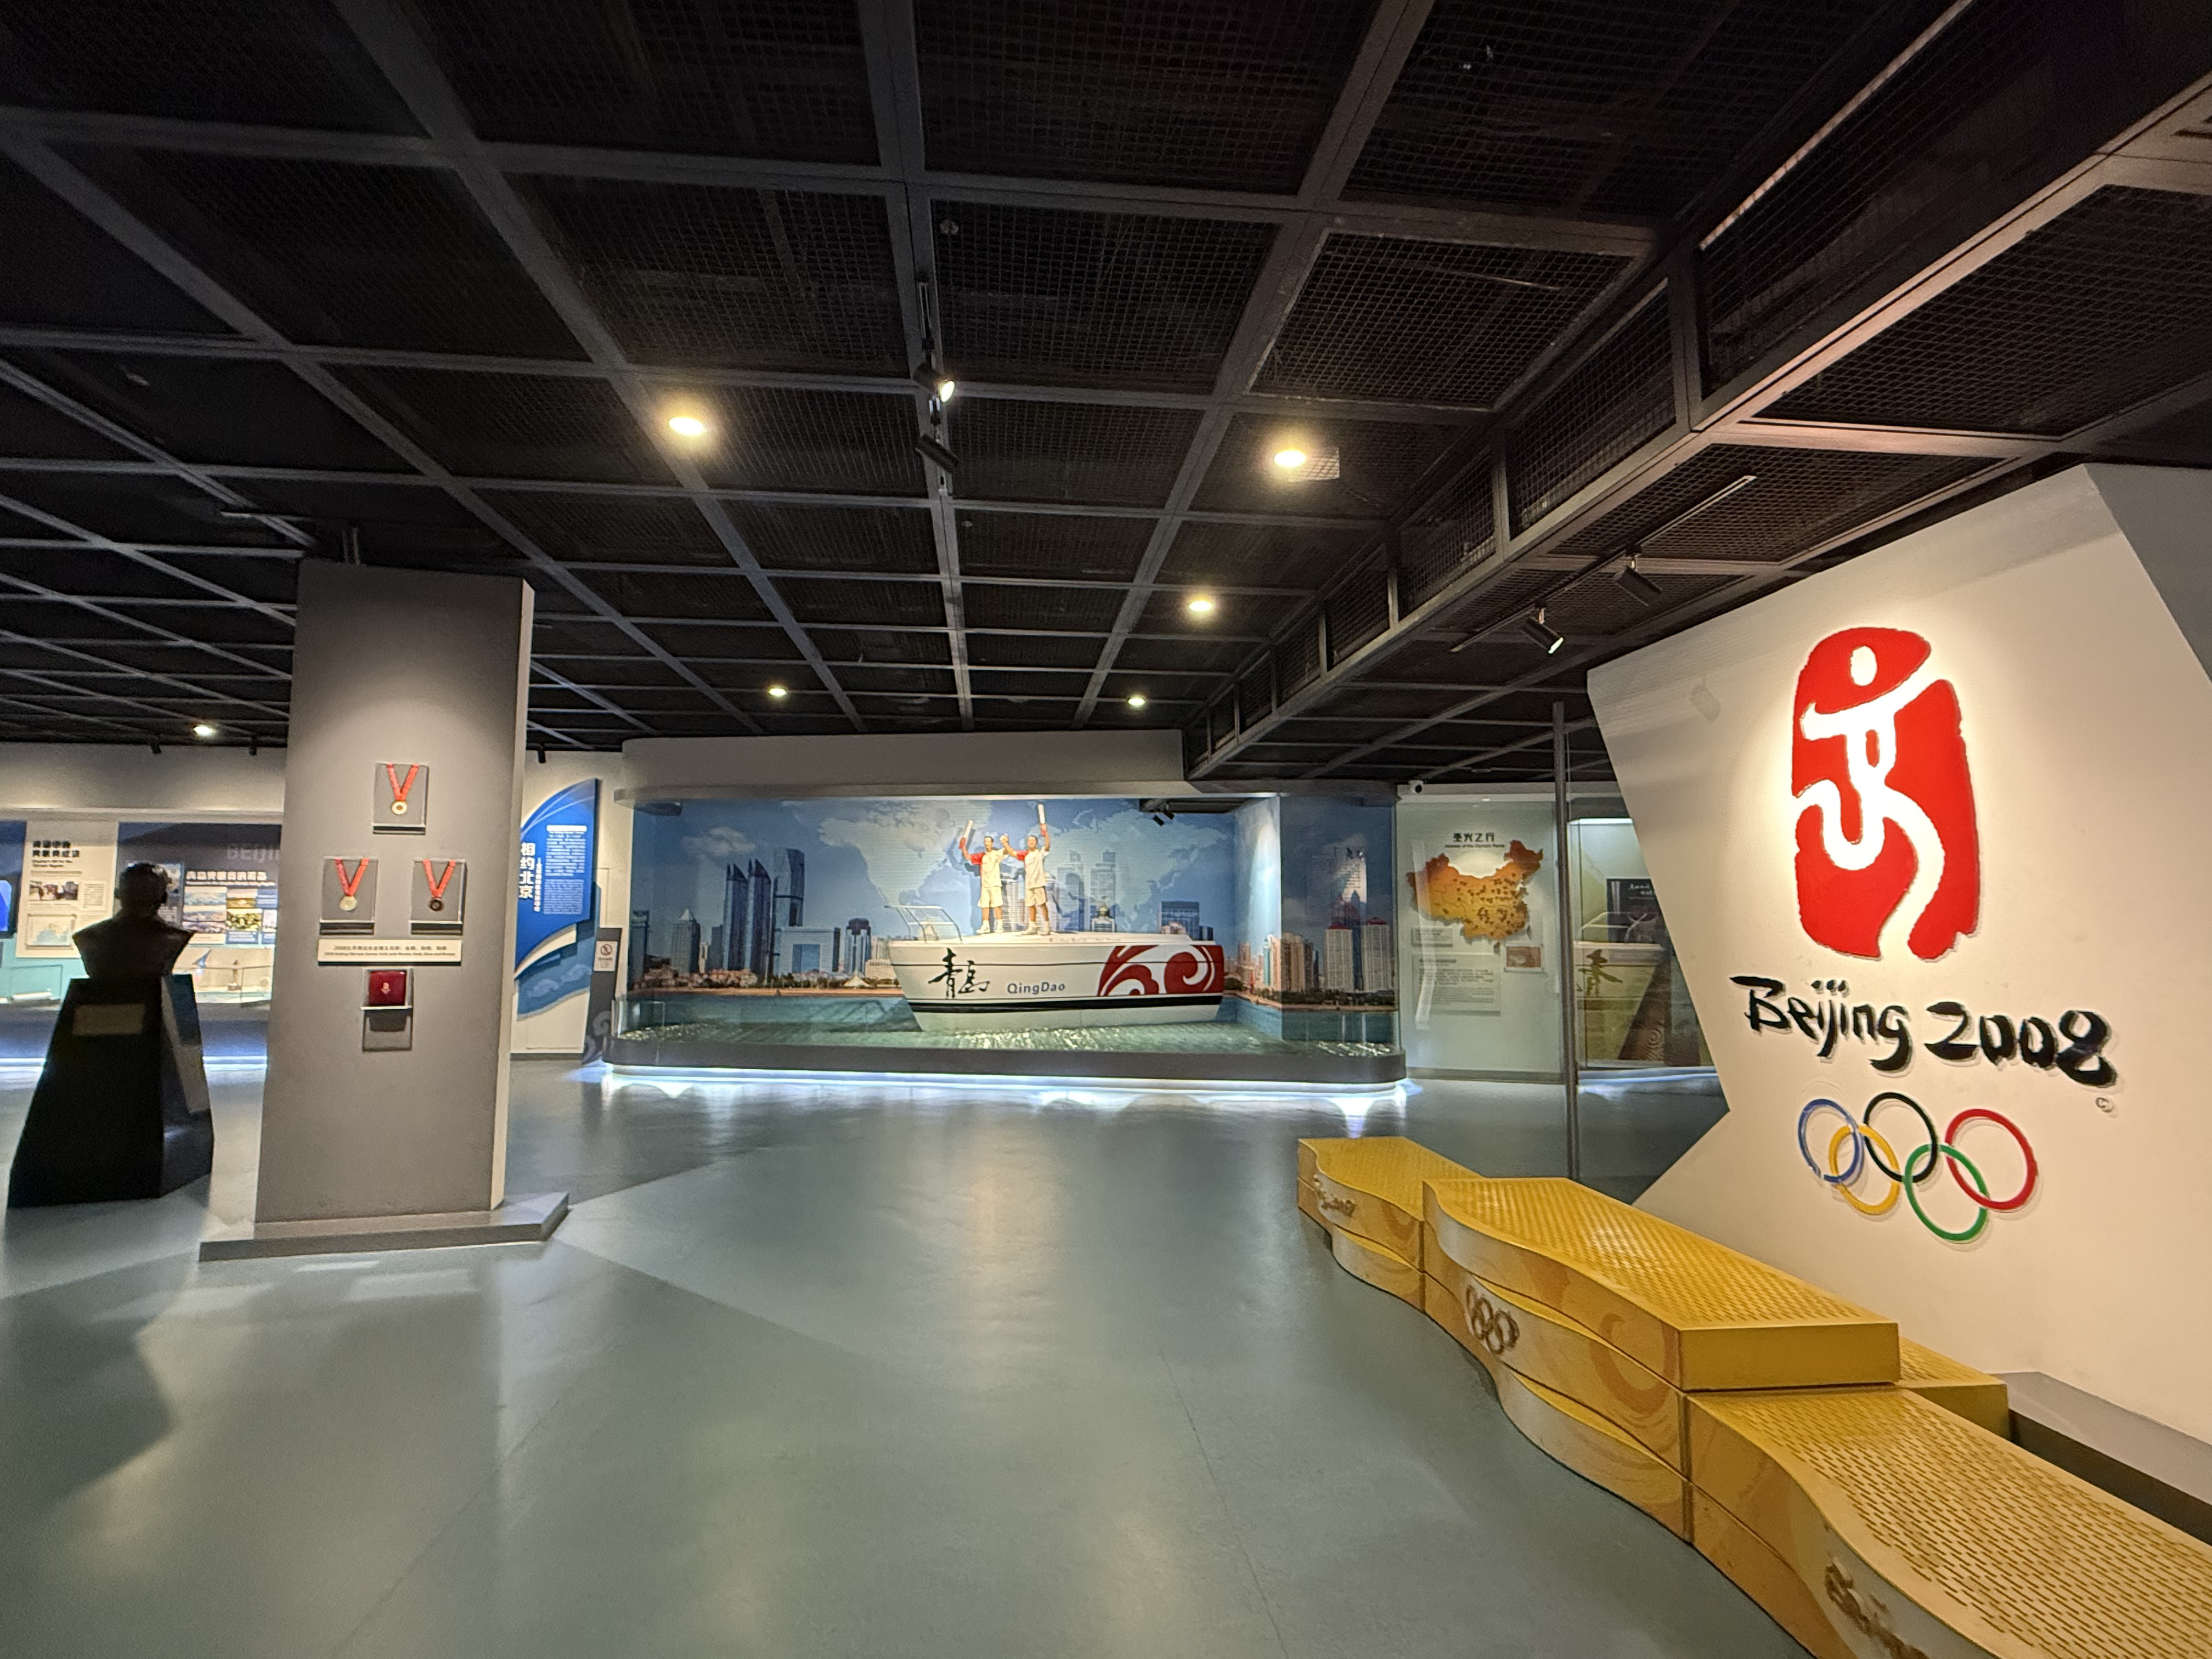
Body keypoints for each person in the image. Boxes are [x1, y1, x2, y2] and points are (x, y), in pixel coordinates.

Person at [956, 823, 1008, 934]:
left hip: (995, 884)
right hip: (985, 885)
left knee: (997, 905)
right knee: (985, 906)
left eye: (989, 842)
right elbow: (968, 857)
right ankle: (986, 925)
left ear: (992, 843)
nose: (987, 844)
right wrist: (964, 847)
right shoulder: (982, 856)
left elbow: (1007, 851)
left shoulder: (997, 854)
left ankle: (1000, 925)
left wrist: (1005, 843)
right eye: (986, 842)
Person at [1011, 806, 1053, 934]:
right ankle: (1033, 926)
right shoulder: (1026, 855)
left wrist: (1046, 833)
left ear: (1036, 842)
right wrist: (1006, 844)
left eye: (1033, 840)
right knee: (1030, 906)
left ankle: (1046, 926)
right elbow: (1013, 853)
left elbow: (1047, 846)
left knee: (1042, 904)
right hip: (1029, 884)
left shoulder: (1040, 853)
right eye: (1029, 841)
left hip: (1039, 883)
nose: (1031, 842)